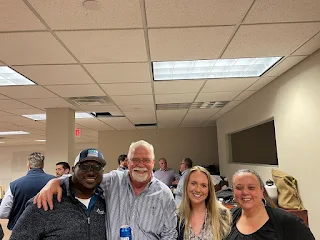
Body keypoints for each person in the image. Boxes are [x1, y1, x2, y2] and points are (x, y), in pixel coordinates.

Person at [34, 140, 177, 239]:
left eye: (146, 160)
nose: (141, 165)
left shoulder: (164, 194)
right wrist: (56, 181)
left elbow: (169, 234)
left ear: (153, 162)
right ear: (128, 161)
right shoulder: (114, 181)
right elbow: (87, 179)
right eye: (135, 160)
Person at [9, 148, 106, 240]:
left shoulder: (106, 201)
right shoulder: (45, 201)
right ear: (73, 169)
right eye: (84, 167)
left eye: (97, 167)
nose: (91, 172)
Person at [227, 169, 315, 240]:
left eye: (251, 187)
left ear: (262, 191)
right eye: (239, 188)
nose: (245, 192)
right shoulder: (228, 219)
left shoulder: (287, 221)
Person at [0, 152, 55, 230]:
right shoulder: (55, 183)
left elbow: (3, 213)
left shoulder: (14, 185)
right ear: (42, 165)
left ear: (28, 165)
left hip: (21, 229)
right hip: (48, 228)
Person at [177, 166, 231, 239]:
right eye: (193, 183)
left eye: (203, 185)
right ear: (186, 185)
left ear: (209, 190)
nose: (198, 189)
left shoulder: (222, 215)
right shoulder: (177, 216)